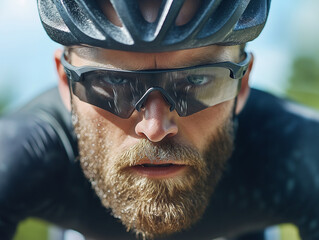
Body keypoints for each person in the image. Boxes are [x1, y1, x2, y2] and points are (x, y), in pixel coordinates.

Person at [0, 0, 319, 240]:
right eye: (113, 83)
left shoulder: (299, 153)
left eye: (197, 81)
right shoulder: (24, 155)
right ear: (65, 84)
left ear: (243, 83)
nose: (154, 128)